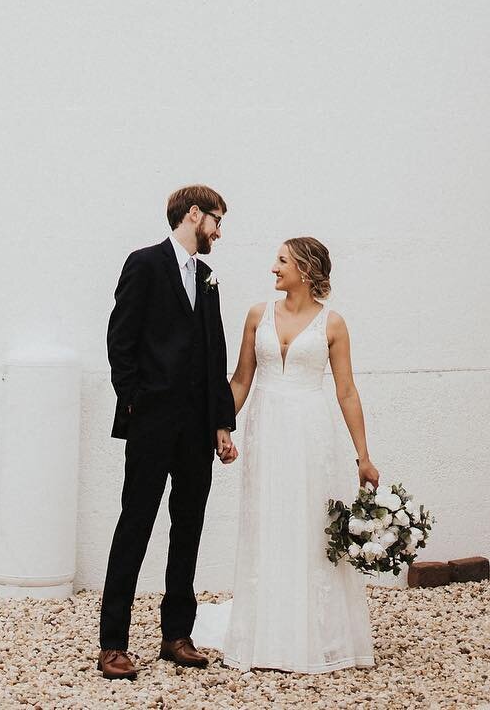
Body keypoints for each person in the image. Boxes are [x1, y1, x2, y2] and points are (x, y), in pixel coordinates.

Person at [96, 185, 238, 681]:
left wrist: (221, 422)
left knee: (189, 527)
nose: (219, 231)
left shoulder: (207, 276)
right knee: (134, 524)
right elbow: (121, 339)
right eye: (216, 220)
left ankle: (176, 635)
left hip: (197, 428)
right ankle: (113, 643)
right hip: (152, 422)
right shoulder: (144, 263)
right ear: (193, 214)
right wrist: (135, 400)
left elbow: (214, 350)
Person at [221, 236, 375, 673]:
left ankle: (318, 636)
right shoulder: (257, 315)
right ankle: (264, 634)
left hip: (311, 433)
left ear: (305, 270)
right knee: (266, 521)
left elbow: (346, 390)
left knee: (311, 526)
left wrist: (363, 455)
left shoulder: (333, 324)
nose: (273, 267)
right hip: (266, 429)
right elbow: (240, 382)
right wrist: (218, 429)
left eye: (282, 260)